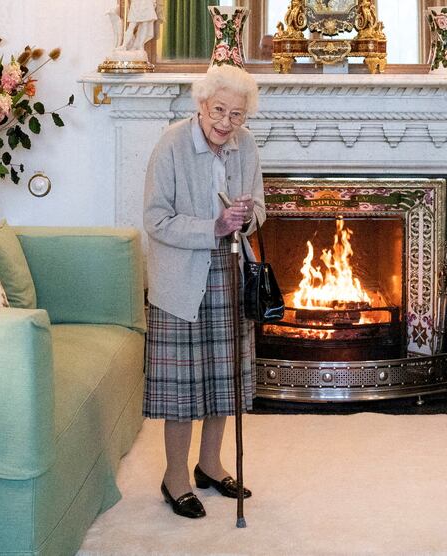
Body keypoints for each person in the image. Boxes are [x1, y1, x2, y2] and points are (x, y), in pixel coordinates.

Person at [142, 64, 264, 519]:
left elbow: (260, 207)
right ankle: (174, 477)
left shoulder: (245, 144)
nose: (226, 123)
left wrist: (246, 216)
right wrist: (212, 226)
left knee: (222, 378)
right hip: (180, 278)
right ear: (201, 104)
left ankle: (209, 465)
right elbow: (154, 219)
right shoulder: (172, 143)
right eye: (219, 111)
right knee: (182, 387)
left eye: (236, 115)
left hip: (230, 271)